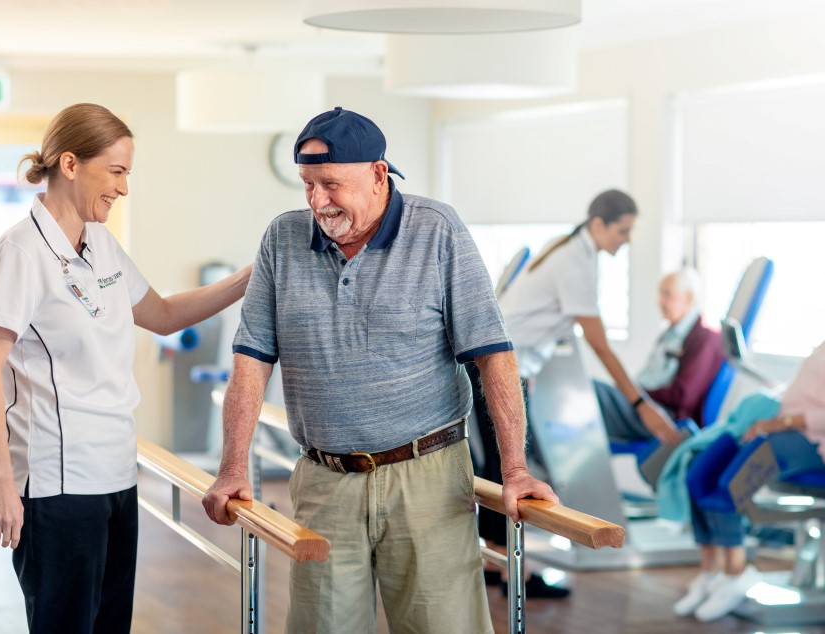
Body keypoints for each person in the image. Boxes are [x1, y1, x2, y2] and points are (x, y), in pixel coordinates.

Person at [201, 106, 557, 633]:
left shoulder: (437, 231)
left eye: (330, 184)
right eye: (307, 184)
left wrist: (515, 471)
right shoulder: (283, 238)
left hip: (428, 481)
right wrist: (233, 465)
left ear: (377, 174)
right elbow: (252, 358)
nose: (317, 201)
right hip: (325, 482)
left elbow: (494, 356)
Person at [0, 103, 252, 634]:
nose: (123, 189)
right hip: (57, 483)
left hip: (116, 476)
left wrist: (250, 276)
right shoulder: (20, 253)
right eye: (116, 172)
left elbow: (163, 315)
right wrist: (1, 481)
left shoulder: (101, 244)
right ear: (71, 164)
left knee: (110, 626)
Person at [671, 267, 825, 622]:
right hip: (782, 430)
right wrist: (760, 416)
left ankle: (737, 571)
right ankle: (711, 571)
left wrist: (782, 422)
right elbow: (799, 391)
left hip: (821, 445)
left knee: (732, 481)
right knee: (700, 472)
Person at [498, 190, 684, 448]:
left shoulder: (573, 249)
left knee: (512, 465)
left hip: (510, 365)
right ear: (598, 224)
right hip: (500, 367)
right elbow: (600, 346)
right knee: (508, 470)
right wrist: (642, 405)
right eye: (622, 231)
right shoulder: (575, 264)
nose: (627, 239)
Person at [593, 267, 725, 441]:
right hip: (644, 403)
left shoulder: (705, 338)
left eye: (667, 295)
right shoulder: (671, 334)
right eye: (660, 294)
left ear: (688, 298)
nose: (659, 302)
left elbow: (682, 396)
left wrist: (636, 394)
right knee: (590, 393)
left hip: (664, 415)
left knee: (592, 391)